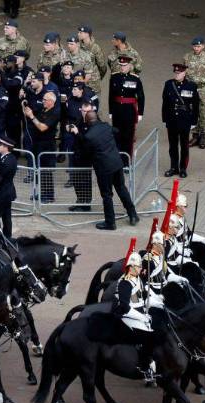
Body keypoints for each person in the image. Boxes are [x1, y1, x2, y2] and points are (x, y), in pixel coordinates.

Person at [70, 110, 139, 229]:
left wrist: (77, 134)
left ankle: (110, 222)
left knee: (107, 195)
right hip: (117, 163)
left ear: (86, 121)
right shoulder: (106, 126)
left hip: (103, 169)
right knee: (122, 188)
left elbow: (85, 152)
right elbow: (117, 132)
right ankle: (133, 214)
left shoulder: (89, 136)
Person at [113, 244, 156, 381]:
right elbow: (125, 306)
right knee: (147, 338)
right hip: (127, 315)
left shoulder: (137, 279)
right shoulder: (125, 283)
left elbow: (144, 296)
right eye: (138, 267)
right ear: (131, 267)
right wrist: (142, 317)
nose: (141, 269)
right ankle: (144, 367)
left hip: (140, 312)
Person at [161, 63, 199, 178]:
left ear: (185, 73)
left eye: (180, 73)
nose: (177, 75)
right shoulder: (168, 84)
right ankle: (173, 167)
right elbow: (165, 103)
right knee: (172, 146)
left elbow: (196, 105)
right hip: (172, 119)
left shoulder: (191, 86)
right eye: (176, 73)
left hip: (184, 119)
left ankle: (183, 168)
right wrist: (165, 118)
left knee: (184, 145)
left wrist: (193, 121)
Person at [24, 90, 59, 203]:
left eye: (45, 100)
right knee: (39, 172)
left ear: (51, 101)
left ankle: (49, 195)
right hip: (37, 144)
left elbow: (43, 127)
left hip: (47, 146)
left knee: (46, 172)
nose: (42, 101)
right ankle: (42, 193)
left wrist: (32, 117)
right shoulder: (43, 110)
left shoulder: (54, 113)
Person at [108, 55, 144, 166]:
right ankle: (118, 162)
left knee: (128, 138)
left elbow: (141, 96)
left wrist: (140, 113)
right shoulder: (114, 77)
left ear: (130, 66)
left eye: (125, 65)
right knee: (117, 136)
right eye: (121, 65)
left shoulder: (135, 79)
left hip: (129, 111)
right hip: (117, 110)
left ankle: (127, 162)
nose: (122, 67)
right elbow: (111, 95)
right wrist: (111, 111)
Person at [184, 37, 205, 149]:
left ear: (203, 46)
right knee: (191, 111)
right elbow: (183, 74)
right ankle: (194, 135)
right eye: (194, 46)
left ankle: (202, 136)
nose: (196, 48)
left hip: (203, 89)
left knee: (203, 112)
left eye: (198, 46)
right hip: (191, 88)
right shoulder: (187, 57)